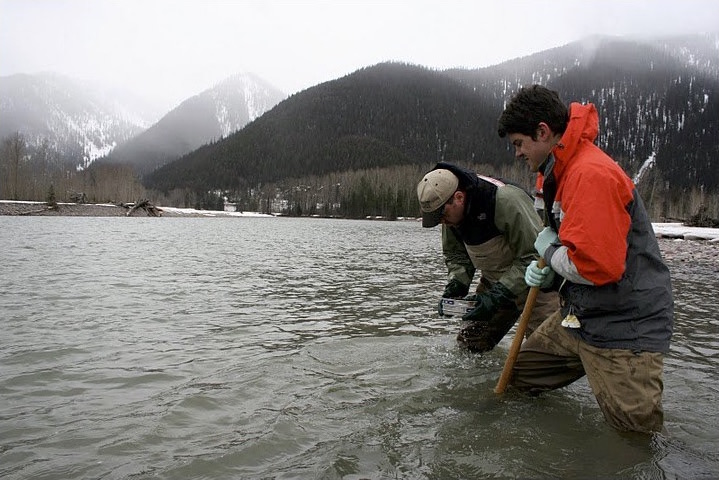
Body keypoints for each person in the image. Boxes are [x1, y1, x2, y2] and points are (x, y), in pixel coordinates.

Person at [497, 84, 674, 433]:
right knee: (519, 377)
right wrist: (551, 275)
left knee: (634, 441)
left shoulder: (588, 174)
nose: (517, 153)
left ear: (543, 132)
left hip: (625, 329)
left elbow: (595, 267)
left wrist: (549, 251)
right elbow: (573, 245)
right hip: (579, 317)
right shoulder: (556, 172)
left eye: (519, 143)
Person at [416, 162, 558, 352]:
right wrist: (456, 285)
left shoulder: (505, 199)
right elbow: (456, 255)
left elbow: (533, 256)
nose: (441, 222)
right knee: (470, 343)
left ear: (458, 197)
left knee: (543, 353)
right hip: (494, 283)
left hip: (538, 285)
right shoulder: (450, 216)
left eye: (441, 215)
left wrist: (497, 296)